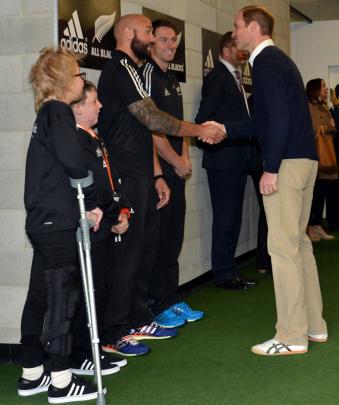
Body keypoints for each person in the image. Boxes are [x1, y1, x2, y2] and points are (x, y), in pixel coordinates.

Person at [97, 14, 225, 357]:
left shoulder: (134, 70)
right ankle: (114, 332)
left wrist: (156, 176)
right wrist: (200, 131)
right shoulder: (120, 69)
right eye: (149, 33)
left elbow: (144, 131)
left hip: (142, 176)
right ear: (127, 33)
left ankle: (137, 320)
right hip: (123, 177)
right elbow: (152, 118)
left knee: (144, 251)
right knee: (126, 257)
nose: (153, 39)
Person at [214, 5, 327, 355]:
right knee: (298, 245)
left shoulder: (264, 62)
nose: (234, 32)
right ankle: (313, 327)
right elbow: (267, 120)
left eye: (236, 26)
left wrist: (271, 167)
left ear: (252, 27)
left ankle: (291, 336)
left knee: (281, 249)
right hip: (304, 161)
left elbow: (276, 119)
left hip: (288, 164)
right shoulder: (280, 61)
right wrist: (225, 129)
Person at [18, 47, 103, 402]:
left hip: (43, 220)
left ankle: (32, 372)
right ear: (63, 80)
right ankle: (60, 380)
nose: (82, 81)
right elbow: (73, 160)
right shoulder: (58, 112)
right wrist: (90, 189)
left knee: (40, 294)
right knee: (60, 297)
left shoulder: (46, 114)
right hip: (55, 221)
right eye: (79, 75)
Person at [195, 31, 270, 291]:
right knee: (226, 218)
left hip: (240, 159)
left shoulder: (235, 78)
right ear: (226, 50)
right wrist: (227, 133)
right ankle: (224, 274)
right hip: (223, 160)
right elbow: (203, 119)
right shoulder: (218, 76)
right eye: (238, 47)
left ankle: (229, 270)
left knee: (233, 217)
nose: (243, 52)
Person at [142, 19, 204, 328]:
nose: (171, 45)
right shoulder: (147, 76)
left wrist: (185, 156)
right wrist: (172, 163)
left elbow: (180, 127)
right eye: (164, 39)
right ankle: (157, 304)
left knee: (173, 238)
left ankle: (171, 297)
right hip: (158, 174)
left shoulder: (172, 79)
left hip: (176, 169)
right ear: (150, 42)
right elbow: (153, 129)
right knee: (159, 239)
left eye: (174, 40)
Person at [71, 81, 131, 374]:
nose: (100, 106)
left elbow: (112, 178)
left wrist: (121, 210)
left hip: (107, 222)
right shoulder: (75, 142)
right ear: (78, 107)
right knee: (88, 290)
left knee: (103, 285)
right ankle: (81, 353)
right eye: (94, 101)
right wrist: (105, 213)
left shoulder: (96, 137)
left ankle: (97, 346)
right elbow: (88, 186)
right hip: (91, 226)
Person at [306, 78, 337, 241]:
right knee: (315, 193)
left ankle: (317, 225)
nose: (326, 89)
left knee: (323, 190)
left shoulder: (324, 107)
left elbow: (333, 127)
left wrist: (329, 127)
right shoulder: (308, 107)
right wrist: (328, 127)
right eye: (323, 86)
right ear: (315, 89)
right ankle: (311, 226)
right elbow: (311, 129)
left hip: (327, 153)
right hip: (315, 155)